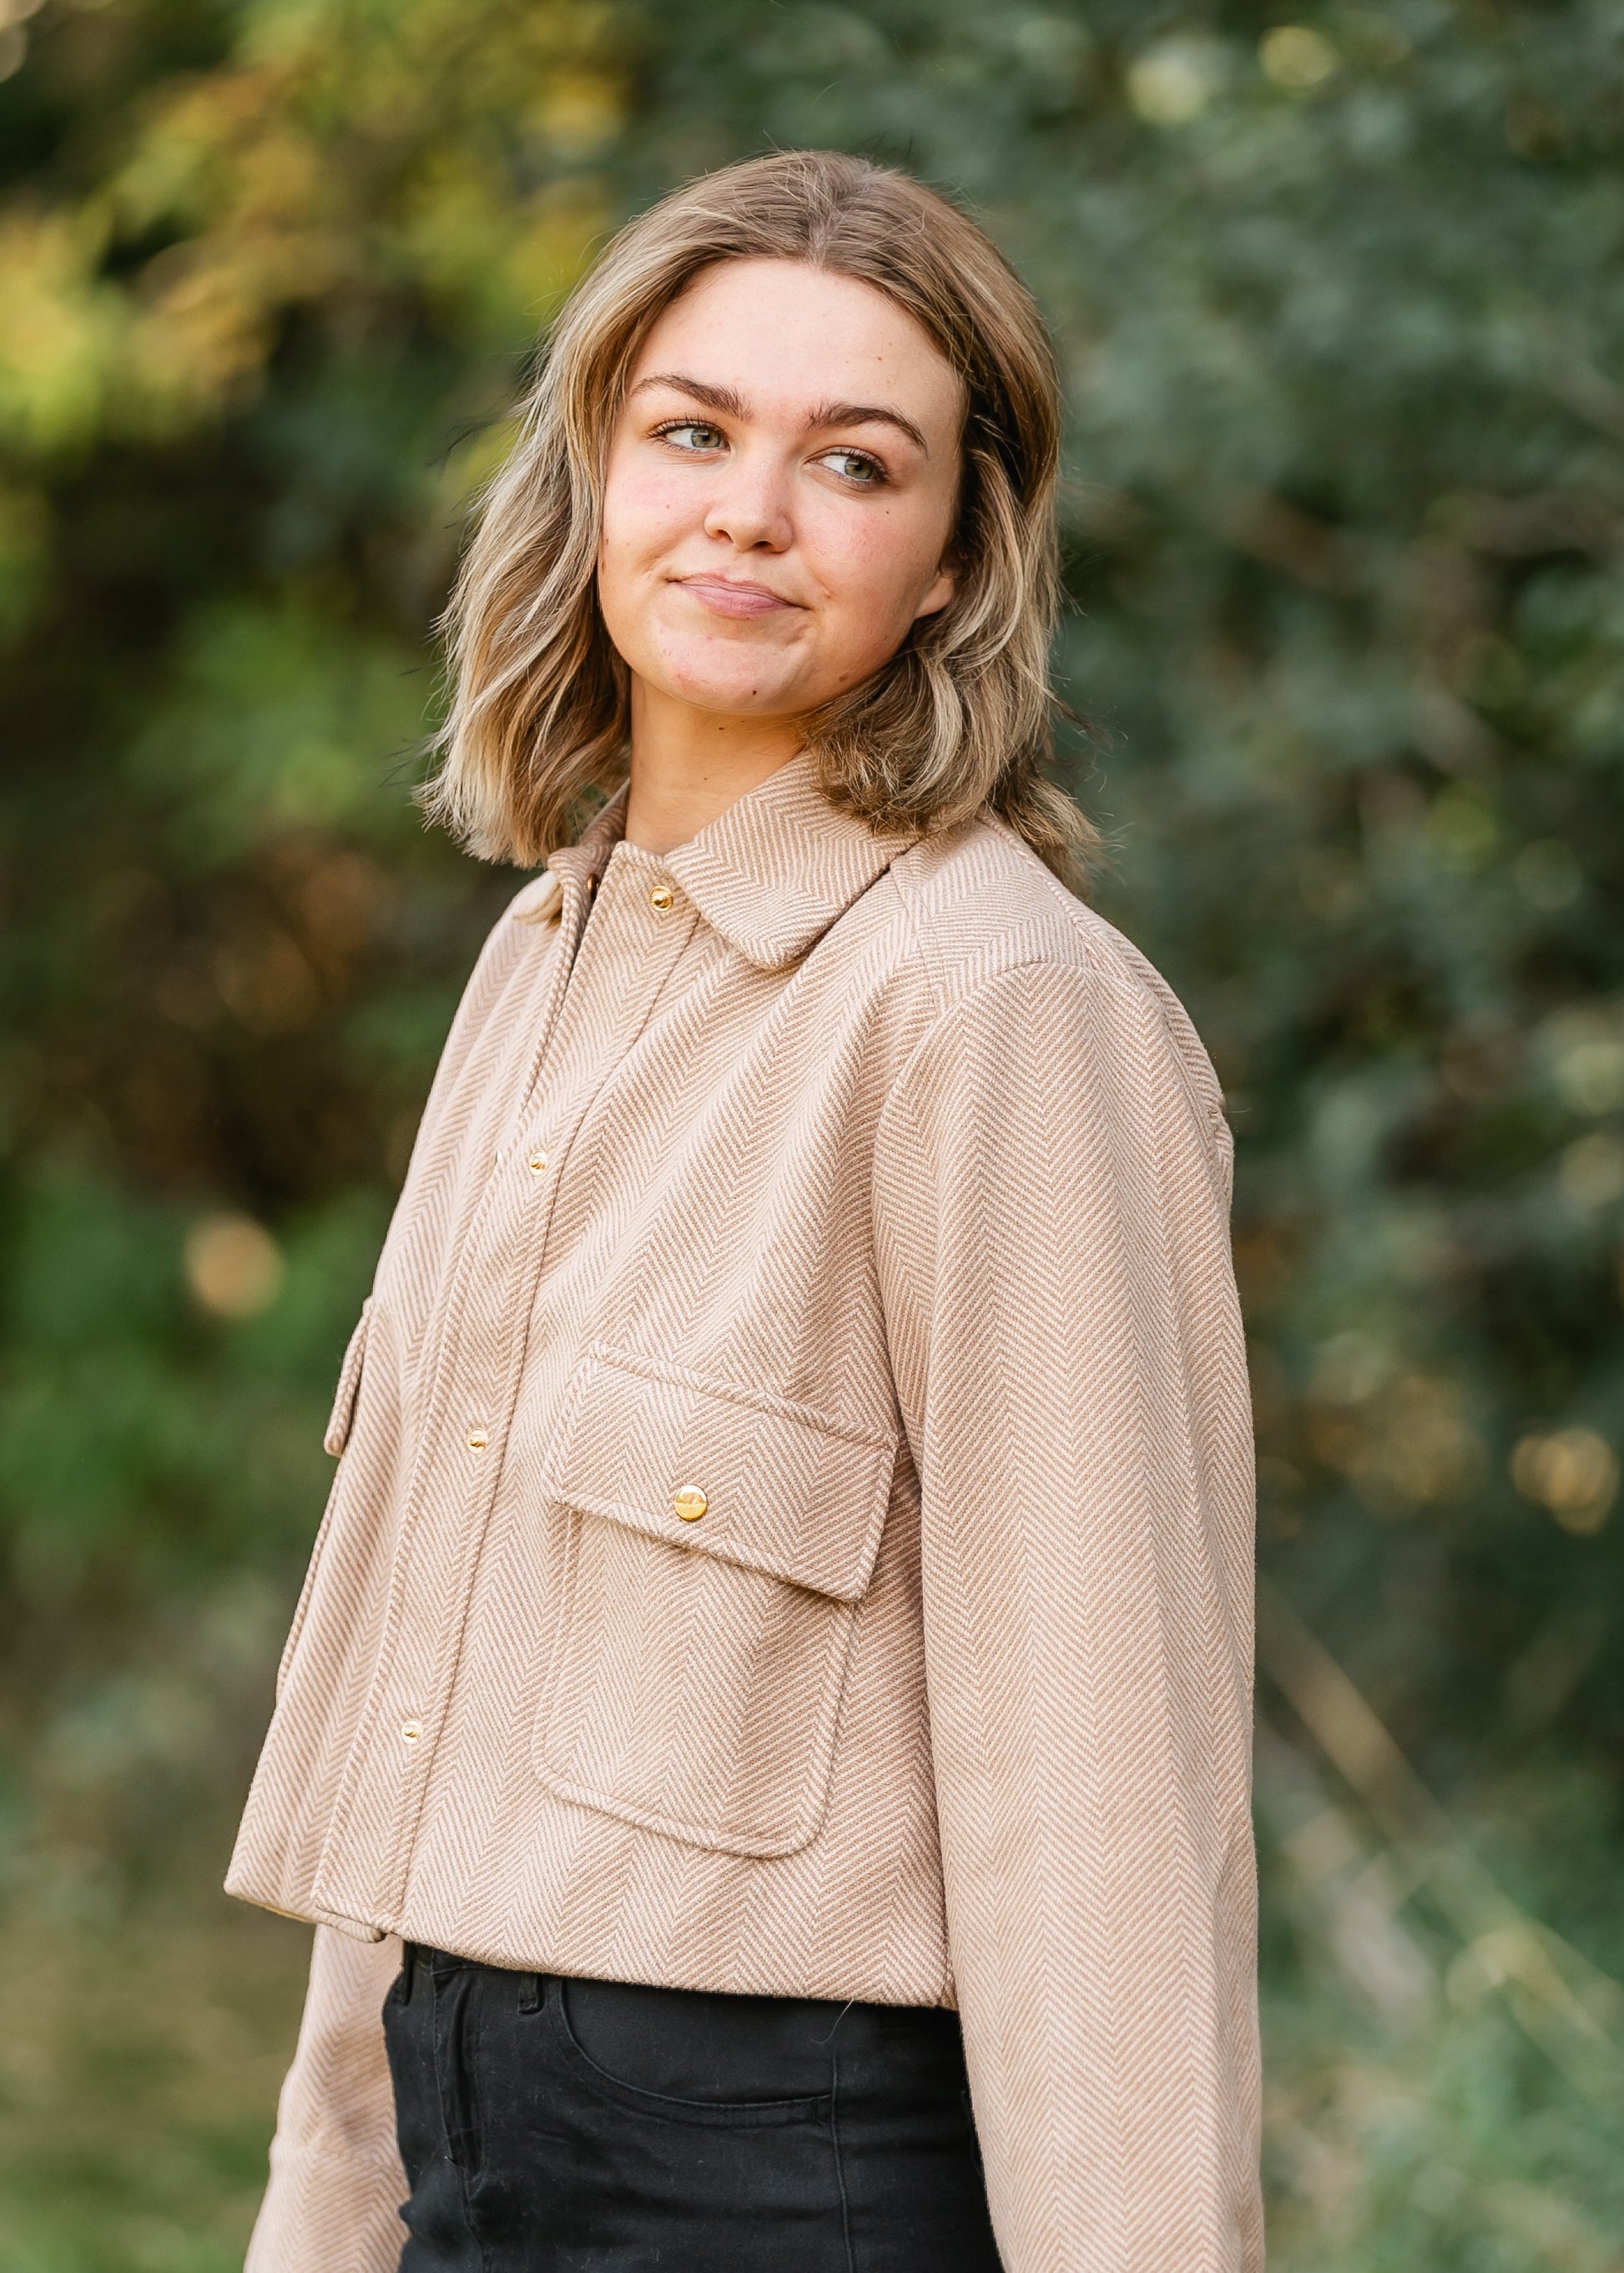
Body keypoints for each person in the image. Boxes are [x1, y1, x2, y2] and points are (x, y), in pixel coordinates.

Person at [227, 148, 1262, 2273]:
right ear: (595, 477)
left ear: (958, 560)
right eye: (691, 432)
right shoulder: (539, 962)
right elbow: (418, 1728)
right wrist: (327, 2217)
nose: (749, 514)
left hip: (788, 2189)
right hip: (472, 2152)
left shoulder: (993, 1012)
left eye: (852, 462)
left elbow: (1104, 1810)